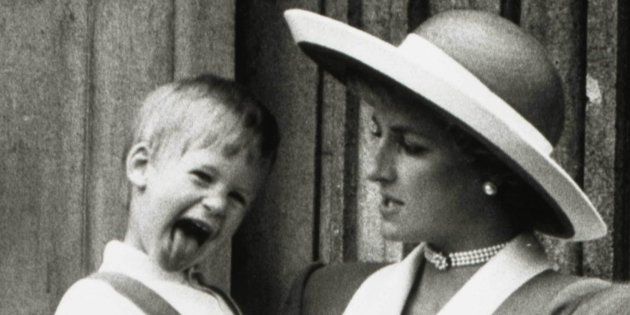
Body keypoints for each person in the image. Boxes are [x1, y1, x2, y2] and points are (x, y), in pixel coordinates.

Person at [281, 9, 622, 314]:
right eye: (376, 133)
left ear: (492, 166)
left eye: (411, 146)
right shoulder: (327, 296)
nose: (376, 171)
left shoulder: (577, 308)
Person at [55, 74, 279, 315]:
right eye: (202, 177)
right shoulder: (95, 300)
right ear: (141, 166)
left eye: (237, 197)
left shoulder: (220, 304)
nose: (218, 204)